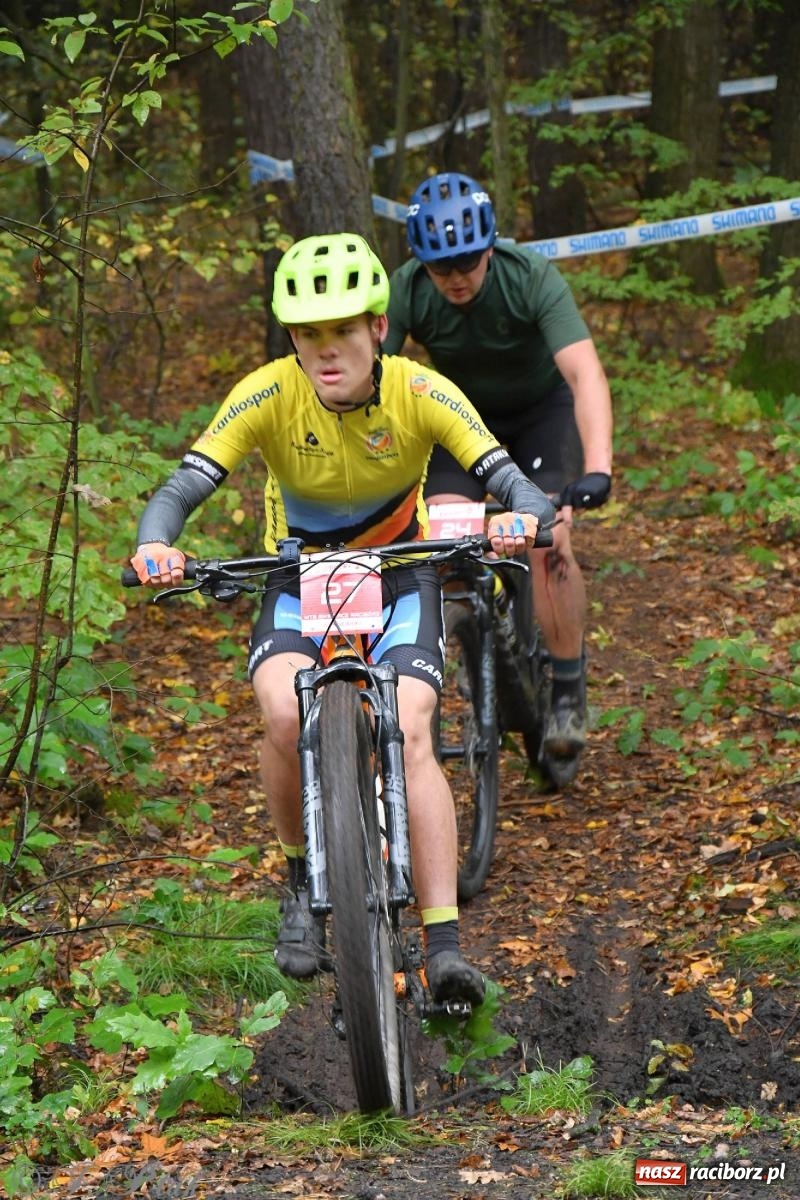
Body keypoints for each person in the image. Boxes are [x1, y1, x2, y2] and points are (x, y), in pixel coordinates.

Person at [130, 232, 557, 1006]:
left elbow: (505, 475)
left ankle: (443, 945)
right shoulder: (265, 392)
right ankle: (300, 885)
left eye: (342, 331)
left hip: (399, 578)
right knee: (281, 715)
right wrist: (156, 541)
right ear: (291, 340)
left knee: (416, 726)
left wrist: (518, 515)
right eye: (308, 335)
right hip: (297, 581)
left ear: (377, 331)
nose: (326, 352)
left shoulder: (422, 392)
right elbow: (185, 484)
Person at [383, 171, 614, 776]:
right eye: (441, 267)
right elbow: (375, 380)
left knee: (545, 541)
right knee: (441, 543)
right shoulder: (408, 290)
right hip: (463, 424)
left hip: (542, 414)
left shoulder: (529, 277)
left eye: (466, 261)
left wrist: (598, 469)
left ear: (488, 248)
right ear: (421, 264)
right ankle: (471, 629)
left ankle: (565, 686)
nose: (456, 277)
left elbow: (584, 375)